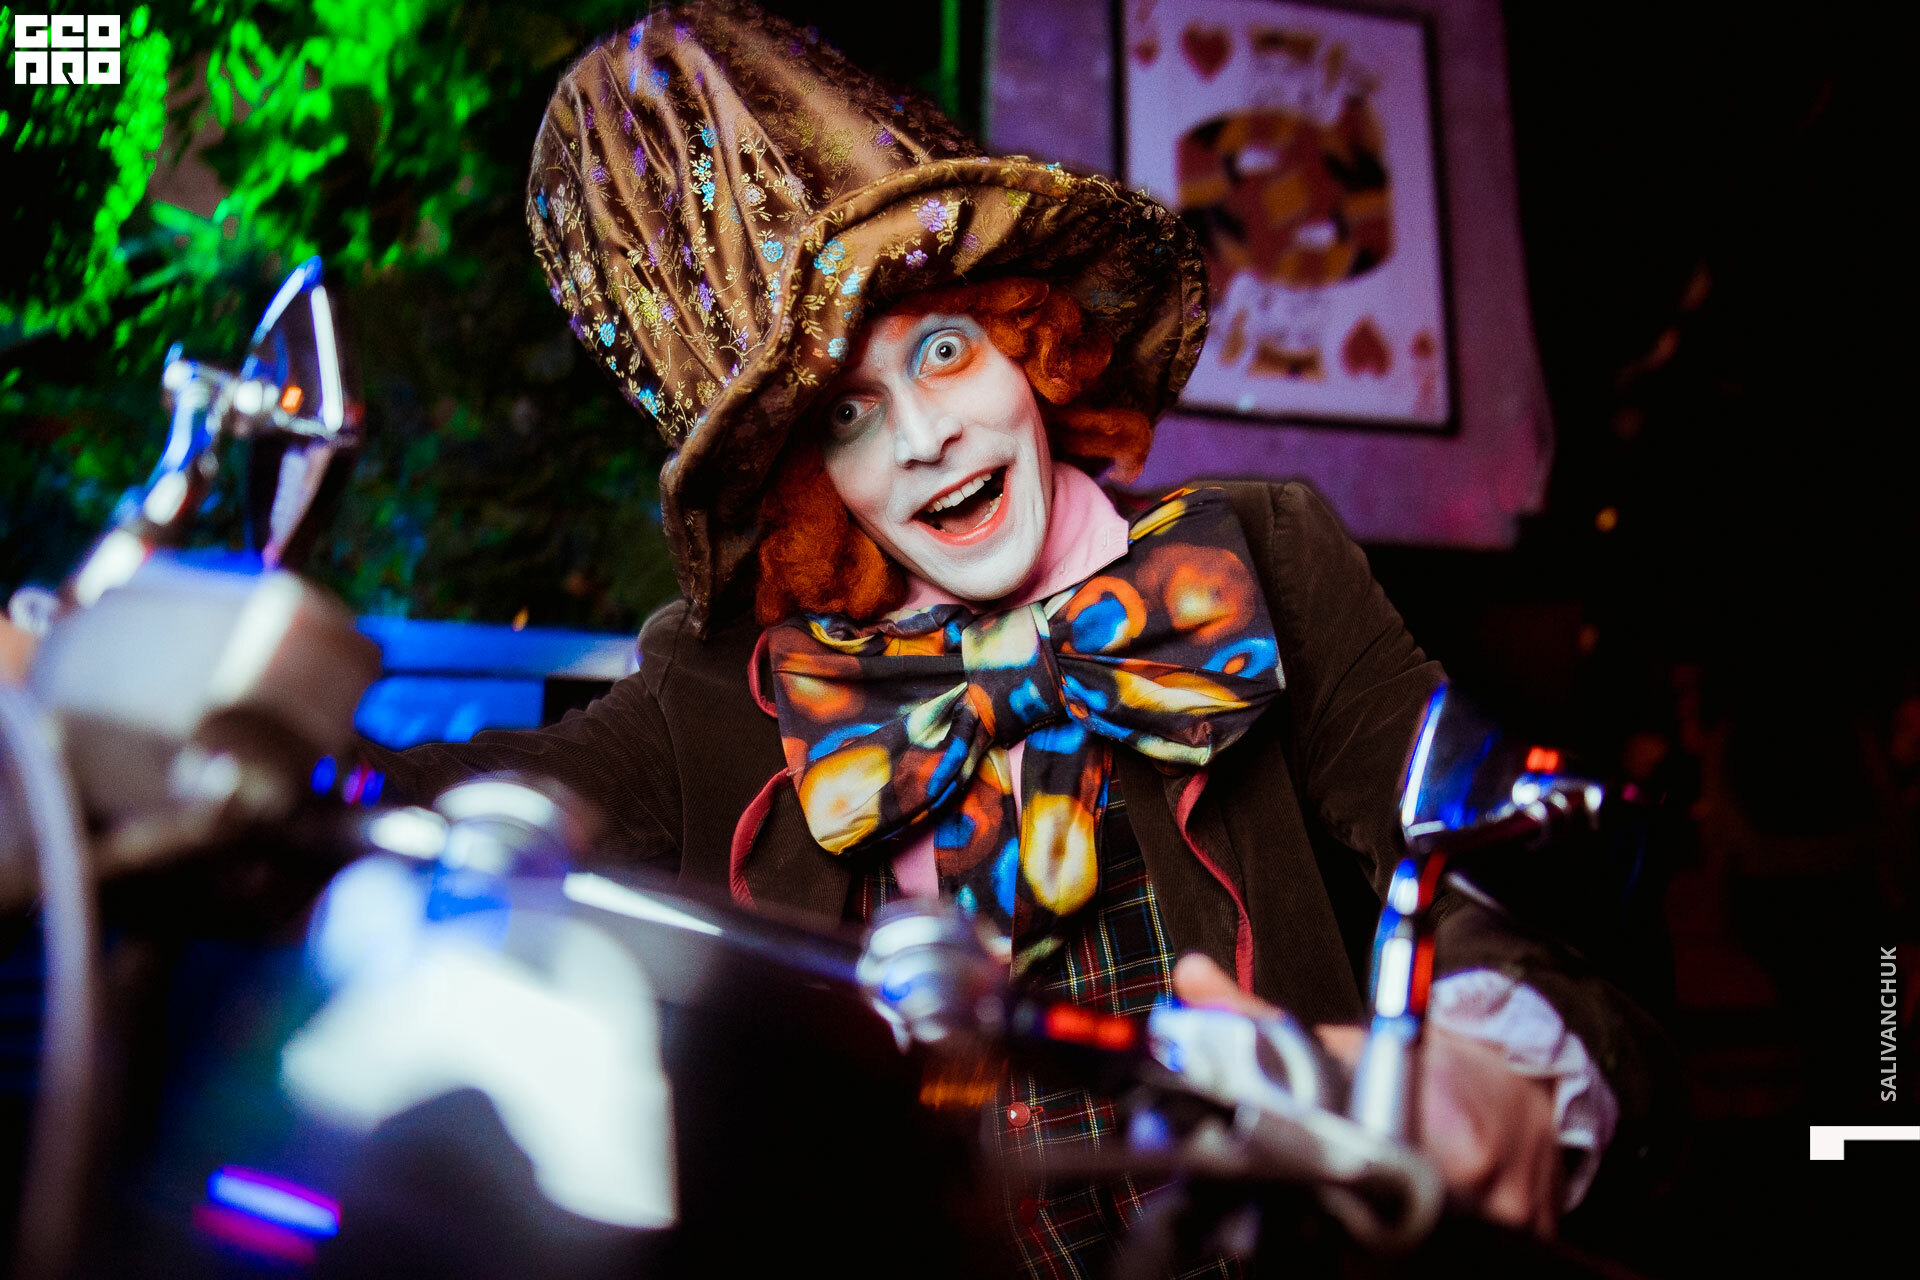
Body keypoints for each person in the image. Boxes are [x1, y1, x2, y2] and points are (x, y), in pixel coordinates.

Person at [3, 3, 1676, 1273]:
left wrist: (1485, 1077)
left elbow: (1509, 893)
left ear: (1031, 343)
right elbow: (433, 796)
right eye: (850, 416)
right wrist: (103, 724)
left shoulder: (1267, 555)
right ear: (808, 484)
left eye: (945, 352)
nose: (931, 438)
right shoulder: (713, 692)